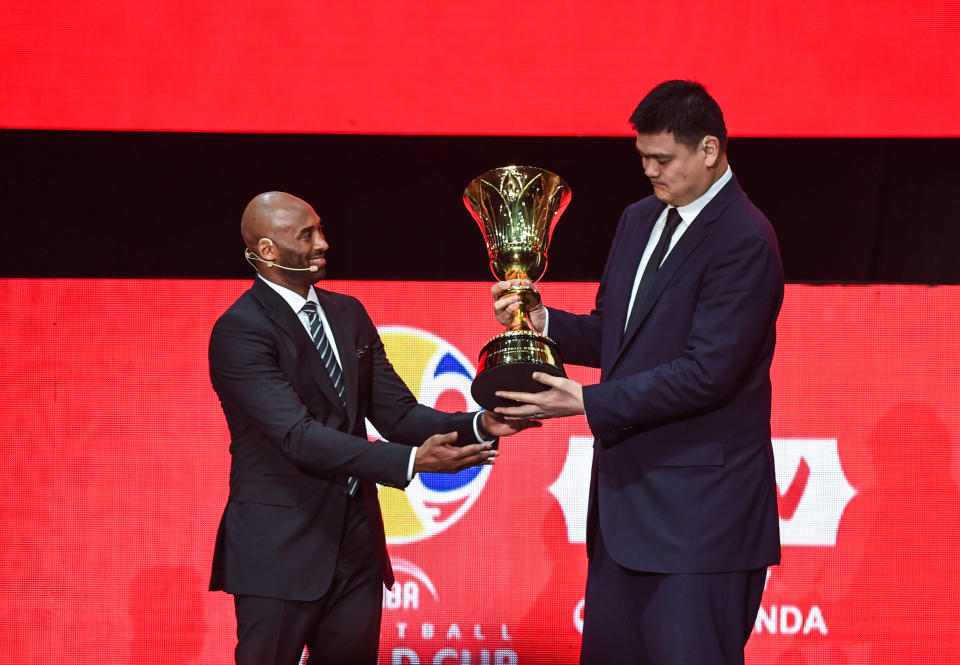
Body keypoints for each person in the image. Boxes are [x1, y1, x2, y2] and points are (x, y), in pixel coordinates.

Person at [493, 80, 784, 664]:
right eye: (643, 158)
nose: (649, 171)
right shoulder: (638, 220)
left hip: (701, 525)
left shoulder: (746, 239)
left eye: (662, 159)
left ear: (709, 149)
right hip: (624, 518)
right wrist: (542, 319)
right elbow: (616, 335)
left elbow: (708, 373)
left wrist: (586, 402)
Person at [208, 191, 534, 665]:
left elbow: (397, 414)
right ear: (267, 251)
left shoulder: (347, 313)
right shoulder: (241, 329)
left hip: (357, 547)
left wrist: (482, 424)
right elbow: (297, 436)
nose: (323, 243)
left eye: (320, 228)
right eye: (306, 235)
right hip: (278, 549)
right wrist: (410, 462)